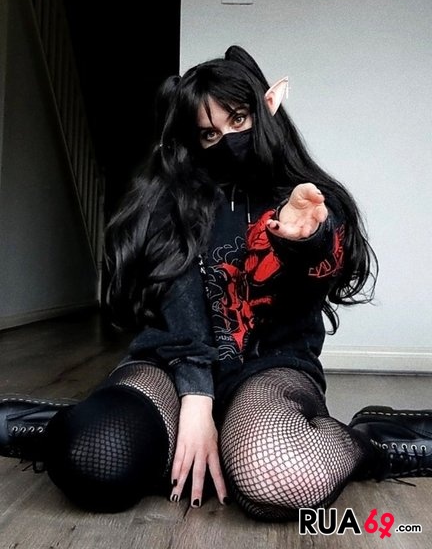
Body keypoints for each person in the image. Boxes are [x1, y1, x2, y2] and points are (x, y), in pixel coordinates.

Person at [0, 45, 431, 520]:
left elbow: (327, 273)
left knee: (280, 474)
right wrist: (196, 396)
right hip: (170, 363)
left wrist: (305, 240)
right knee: (96, 457)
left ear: (266, 111)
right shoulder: (175, 199)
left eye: (239, 120)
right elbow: (179, 304)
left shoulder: (306, 196)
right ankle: (72, 424)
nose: (227, 140)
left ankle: (370, 442)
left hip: (269, 367)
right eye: (209, 133)